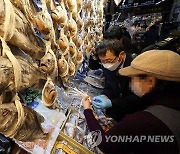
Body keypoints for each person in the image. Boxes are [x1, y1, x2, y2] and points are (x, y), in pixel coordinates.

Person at [82, 50, 180, 154]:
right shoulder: (171, 102)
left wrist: (88, 111)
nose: (130, 82)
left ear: (150, 82)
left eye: (133, 77)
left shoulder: (143, 122)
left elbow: (103, 143)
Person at [89, 39, 140, 121]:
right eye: (103, 62)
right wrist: (105, 95)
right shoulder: (106, 64)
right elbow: (109, 84)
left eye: (109, 61)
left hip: (132, 112)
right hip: (115, 111)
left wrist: (111, 102)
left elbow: (137, 98)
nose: (106, 65)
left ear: (122, 55)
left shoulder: (136, 67)